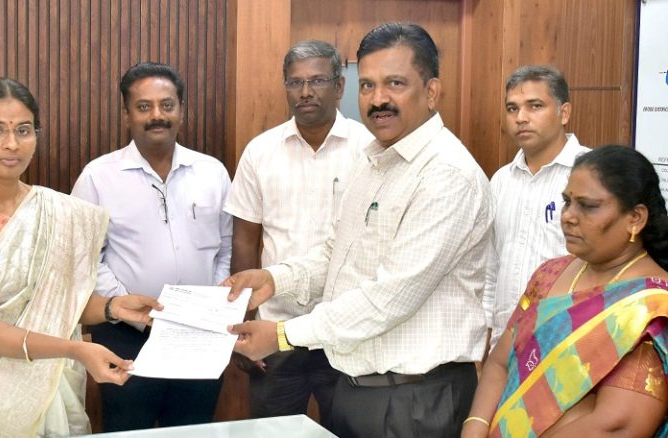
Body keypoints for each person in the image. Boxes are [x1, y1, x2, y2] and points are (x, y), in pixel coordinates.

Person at [226, 22, 494, 437]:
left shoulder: (446, 174)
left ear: (432, 92)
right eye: (367, 85)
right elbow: (337, 254)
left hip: (414, 400)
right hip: (358, 389)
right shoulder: (372, 161)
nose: (378, 99)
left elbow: (389, 298)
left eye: (395, 83)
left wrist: (282, 334)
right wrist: (276, 280)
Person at [0, 77, 161, 437]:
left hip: (47, 394)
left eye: (23, 130)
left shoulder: (56, 210)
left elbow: (61, 306)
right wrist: (74, 349)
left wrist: (113, 307)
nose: (12, 143)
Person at [463, 145, 668, 438]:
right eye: (567, 202)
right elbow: (499, 363)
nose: (568, 216)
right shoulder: (550, 274)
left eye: (588, 206)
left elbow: (616, 425)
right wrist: (475, 426)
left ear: (635, 218)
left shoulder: (653, 305)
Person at [71, 62, 232, 431]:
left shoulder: (212, 172)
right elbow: (86, 259)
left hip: (199, 336)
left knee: (194, 429)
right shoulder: (98, 177)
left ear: (181, 110)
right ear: (127, 114)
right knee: (128, 430)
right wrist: (128, 308)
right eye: (144, 106)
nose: (157, 115)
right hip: (126, 337)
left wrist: (210, 304)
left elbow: (224, 247)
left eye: (167, 105)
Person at [223, 39, 374, 429]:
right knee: (272, 434)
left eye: (317, 80)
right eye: (295, 82)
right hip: (273, 333)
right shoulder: (261, 151)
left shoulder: (370, 151)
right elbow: (245, 240)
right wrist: (242, 321)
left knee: (348, 431)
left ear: (339, 87)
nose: (305, 92)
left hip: (345, 334)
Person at [485, 65, 590, 349]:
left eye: (535, 106)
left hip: (567, 344)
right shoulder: (501, 180)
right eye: (512, 108)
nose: (521, 117)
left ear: (564, 113)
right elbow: (491, 265)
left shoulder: (592, 175)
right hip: (504, 346)